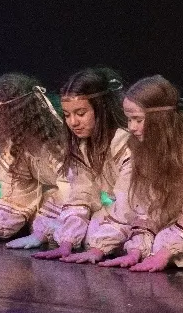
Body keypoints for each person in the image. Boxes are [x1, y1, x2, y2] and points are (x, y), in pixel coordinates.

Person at [73, 75, 183, 272]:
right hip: (171, 232)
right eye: (129, 119)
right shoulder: (147, 147)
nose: (131, 127)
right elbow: (147, 205)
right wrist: (135, 250)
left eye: (138, 120)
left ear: (160, 120)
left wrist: (164, 253)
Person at [0, 73, 72, 247]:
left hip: (79, 200)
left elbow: (72, 191)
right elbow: (16, 193)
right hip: (50, 199)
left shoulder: (58, 144)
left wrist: (41, 234)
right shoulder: (14, 146)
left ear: (19, 115)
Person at [34, 67, 129, 261]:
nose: (73, 122)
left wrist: (98, 250)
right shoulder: (85, 146)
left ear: (100, 109)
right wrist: (66, 243)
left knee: (100, 233)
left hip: (141, 213)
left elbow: (131, 202)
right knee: (88, 228)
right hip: (119, 210)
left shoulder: (125, 143)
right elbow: (81, 193)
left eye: (80, 113)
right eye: (67, 115)